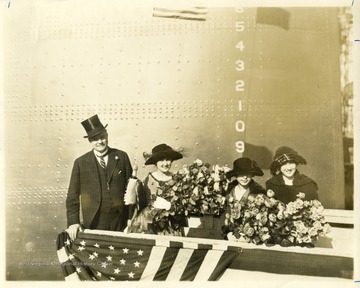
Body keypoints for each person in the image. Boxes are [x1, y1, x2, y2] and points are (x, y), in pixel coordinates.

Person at [66, 114, 133, 240]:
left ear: (107, 135)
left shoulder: (122, 157)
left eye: (102, 137)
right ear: (90, 141)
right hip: (94, 220)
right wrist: (73, 222)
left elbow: (131, 191)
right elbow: (72, 196)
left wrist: (131, 218)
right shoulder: (80, 163)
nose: (100, 142)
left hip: (120, 220)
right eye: (95, 139)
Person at [126, 143, 185, 235]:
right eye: (161, 160)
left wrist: (170, 207)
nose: (165, 163)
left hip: (171, 227)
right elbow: (141, 206)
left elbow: (183, 208)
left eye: (168, 160)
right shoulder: (147, 180)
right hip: (150, 227)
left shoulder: (178, 180)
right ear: (155, 162)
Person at [222, 157, 266, 239]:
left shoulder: (259, 193)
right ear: (235, 175)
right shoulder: (228, 191)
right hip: (230, 236)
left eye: (248, 173)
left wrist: (250, 236)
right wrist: (227, 234)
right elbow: (224, 216)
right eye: (241, 173)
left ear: (252, 175)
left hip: (250, 237)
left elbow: (262, 220)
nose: (245, 177)